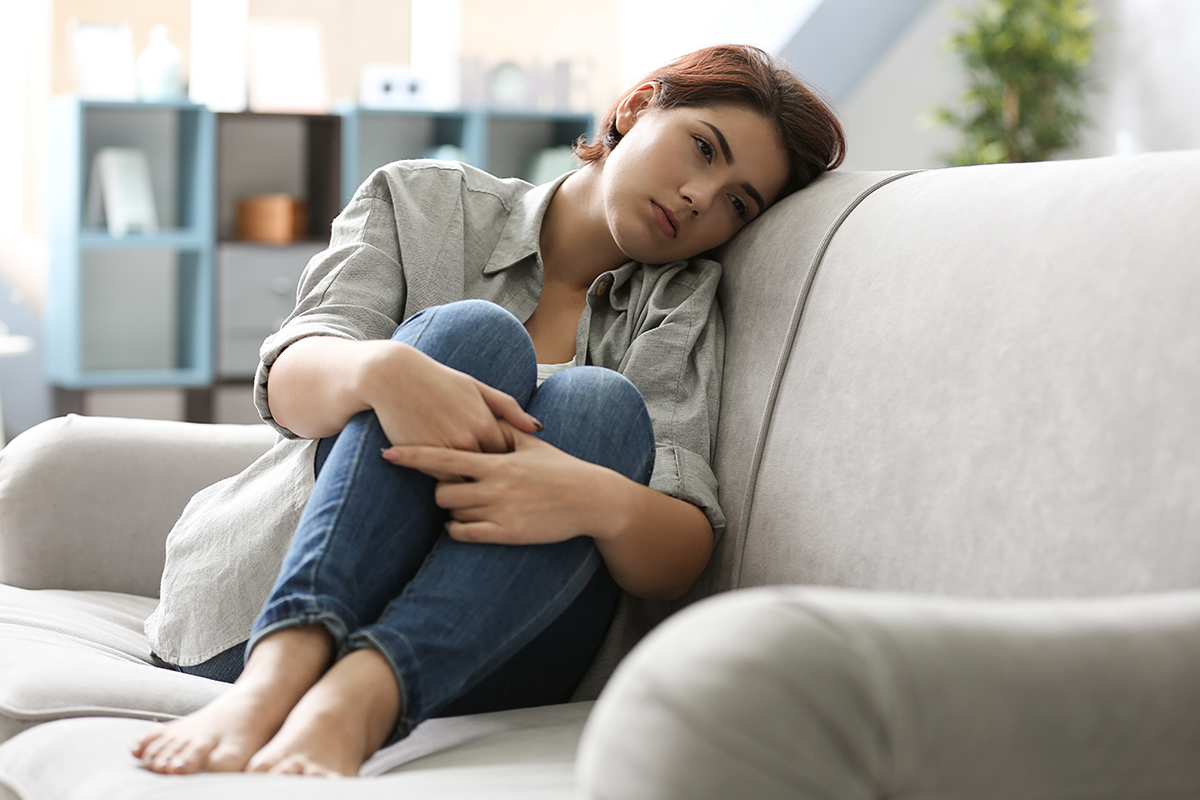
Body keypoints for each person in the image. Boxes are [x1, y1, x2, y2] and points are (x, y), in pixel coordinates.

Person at [132, 43, 846, 778]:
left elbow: (678, 555)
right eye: (702, 148)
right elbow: (288, 383)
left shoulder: (678, 305)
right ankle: (282, 671)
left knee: (598, 403)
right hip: (262, 608)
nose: (702, 196)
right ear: (636, 108)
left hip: (486, 647)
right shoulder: (422, 202)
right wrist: (384, 371)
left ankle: (361, 697)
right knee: (470, 334)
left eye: (738, 202)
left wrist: (593, 498)